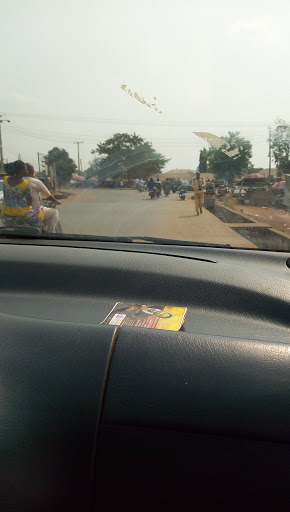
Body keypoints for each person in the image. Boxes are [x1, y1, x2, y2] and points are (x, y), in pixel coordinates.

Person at [1, 160, 44, 227]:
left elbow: (5, 195)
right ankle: (37, 234)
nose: (27, 170)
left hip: (5, 211)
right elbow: (29, 201)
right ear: (21, 171)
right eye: (26, 169)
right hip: (21, 212)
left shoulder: (5, 179)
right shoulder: (26, 184)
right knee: (40, 216)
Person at [26, 164, 61, 233]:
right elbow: (49, 195)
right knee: (55, 212)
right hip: (32, 212)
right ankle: (49, 233)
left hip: (14, 211)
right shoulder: (35, 181)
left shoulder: (13, 182)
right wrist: (56, 201)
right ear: (31, 171)